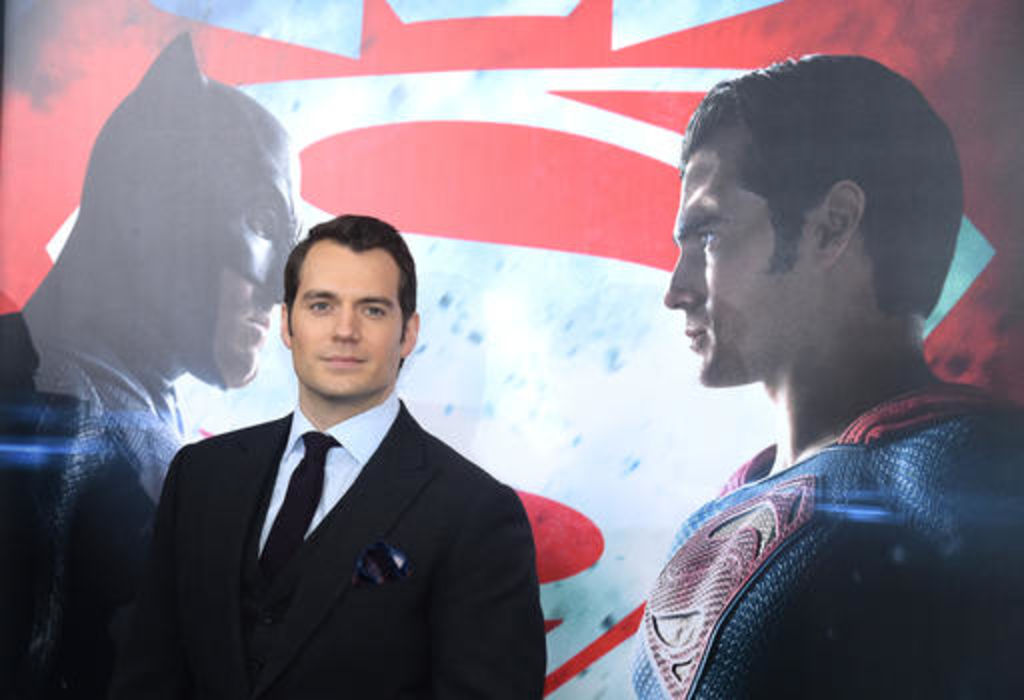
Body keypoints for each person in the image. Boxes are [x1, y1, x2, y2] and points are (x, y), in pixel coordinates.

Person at [632, 55, 1024, 698]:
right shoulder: (715, 512)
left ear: (832, 225)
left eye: (708, 235)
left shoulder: (975, 478)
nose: (676, 291)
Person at [110, 214, 547, 699]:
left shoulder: (477, 515)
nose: (345, 330)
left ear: (408, 333)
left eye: (372, 310)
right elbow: (147, 678)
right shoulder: (201, 476)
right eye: (321, 305)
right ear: (286, 324)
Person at [10, 33, 300, 698]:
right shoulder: (56, 423)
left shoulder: (120, 420)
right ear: (148, 197)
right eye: (262, 222)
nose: (282, 288)